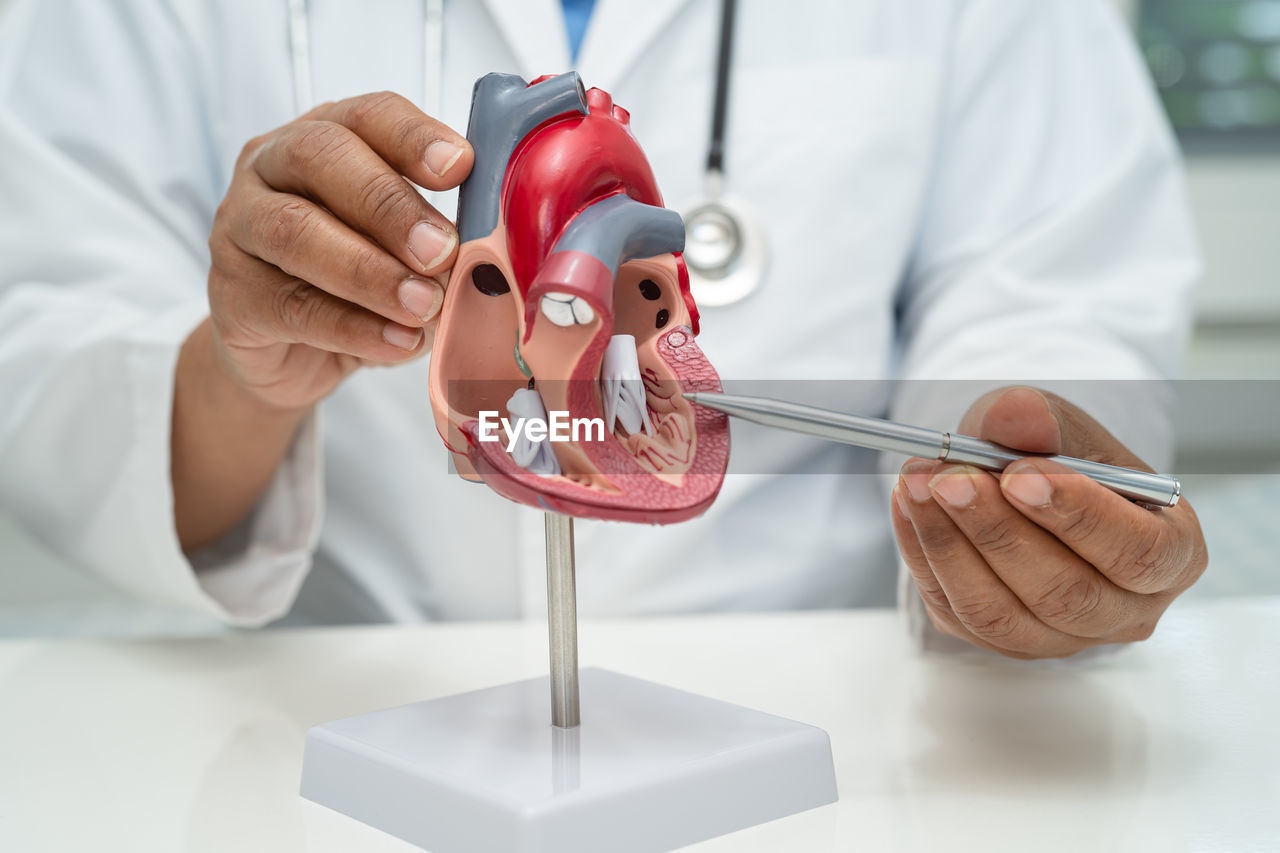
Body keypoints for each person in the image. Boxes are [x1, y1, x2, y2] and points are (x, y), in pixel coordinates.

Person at [0, 0, 1207, 657]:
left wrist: (1022, 506)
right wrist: (242, 374)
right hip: (334, 709)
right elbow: (49, 332)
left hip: (839, 711)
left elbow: (1059, 286)